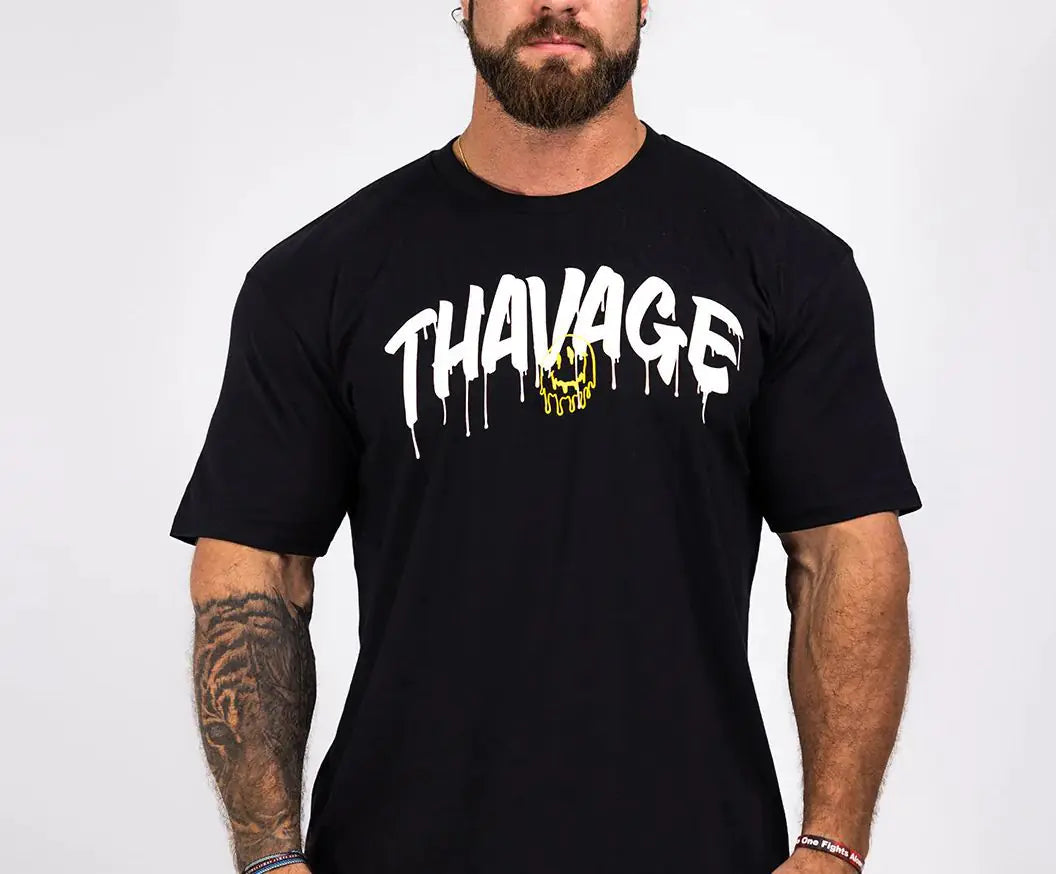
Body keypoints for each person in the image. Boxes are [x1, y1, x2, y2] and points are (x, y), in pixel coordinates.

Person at [170, 2, 922, 873]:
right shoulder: (316, 280)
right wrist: (269, 858)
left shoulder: (785, 266)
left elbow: (844, 552)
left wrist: (831, 847)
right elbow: (254, 566)